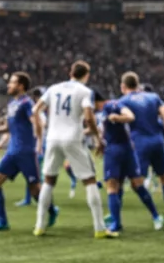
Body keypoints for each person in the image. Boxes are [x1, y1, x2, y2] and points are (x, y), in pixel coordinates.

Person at [33, 61, 112, 238]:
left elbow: (36, 109)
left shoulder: (54, 88)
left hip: (52, 138)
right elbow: (90, 118)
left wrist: (42, 132)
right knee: (90, 180)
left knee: (48, 181)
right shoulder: (85, 91)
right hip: (73, 138)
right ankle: (99, 228)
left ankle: (39, 226)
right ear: (87, 74)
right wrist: (98, 138)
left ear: (70, 72)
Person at [0, 72, 53, 231]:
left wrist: (39, 142)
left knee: (35, 190)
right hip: (12, 151)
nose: (8, 85)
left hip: (26, 152)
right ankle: (2, 222)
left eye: (12, 82)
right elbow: (8, 128)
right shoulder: (11, 104)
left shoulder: (27, 103)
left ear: (21, 86)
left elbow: (37, 122)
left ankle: (51, 210)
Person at [100, 75, 164, 233]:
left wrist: (115, 119)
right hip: (129, 150)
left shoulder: (112, 105)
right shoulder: (117, 104)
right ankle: (156, 217)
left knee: (112, 186)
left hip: (114, 150)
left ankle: (116, 223)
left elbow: (129, 117)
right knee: (137, 185)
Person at [119, 73, 164, 224]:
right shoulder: (153, 97)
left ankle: (155, 214)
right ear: (138, 84)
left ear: (123, 86)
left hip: (140, 143)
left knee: (136, 183)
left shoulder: (123, 101)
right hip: (158, 142)